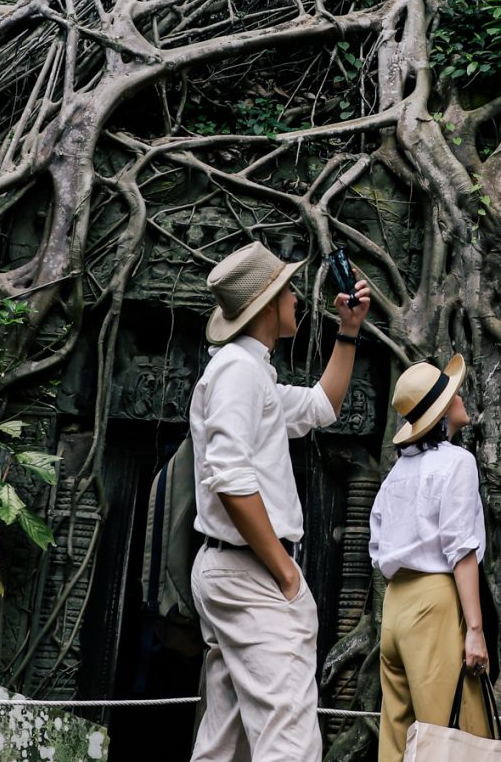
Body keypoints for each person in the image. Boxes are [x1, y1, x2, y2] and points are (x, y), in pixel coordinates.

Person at [189, 240, 370, 762]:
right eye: (288, 289)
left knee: (226, 742)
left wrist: (349, 330)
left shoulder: (250, 372)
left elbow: (320, 405)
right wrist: (285, 574)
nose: (296, 298)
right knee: (289, 740)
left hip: (235, 571)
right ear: (268, 303)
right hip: (251, 574)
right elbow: (230, 477)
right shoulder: (237, 372)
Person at [368, 354, 491, 762]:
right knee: (448, 737)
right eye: (453, 395)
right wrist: (474, 628)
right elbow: (461, 550)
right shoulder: (457, 462)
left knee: (397, 741)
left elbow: (377, 546)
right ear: (441, 415)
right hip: (434, 603)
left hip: (395, 606)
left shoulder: (395, 474)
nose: (460, 397)